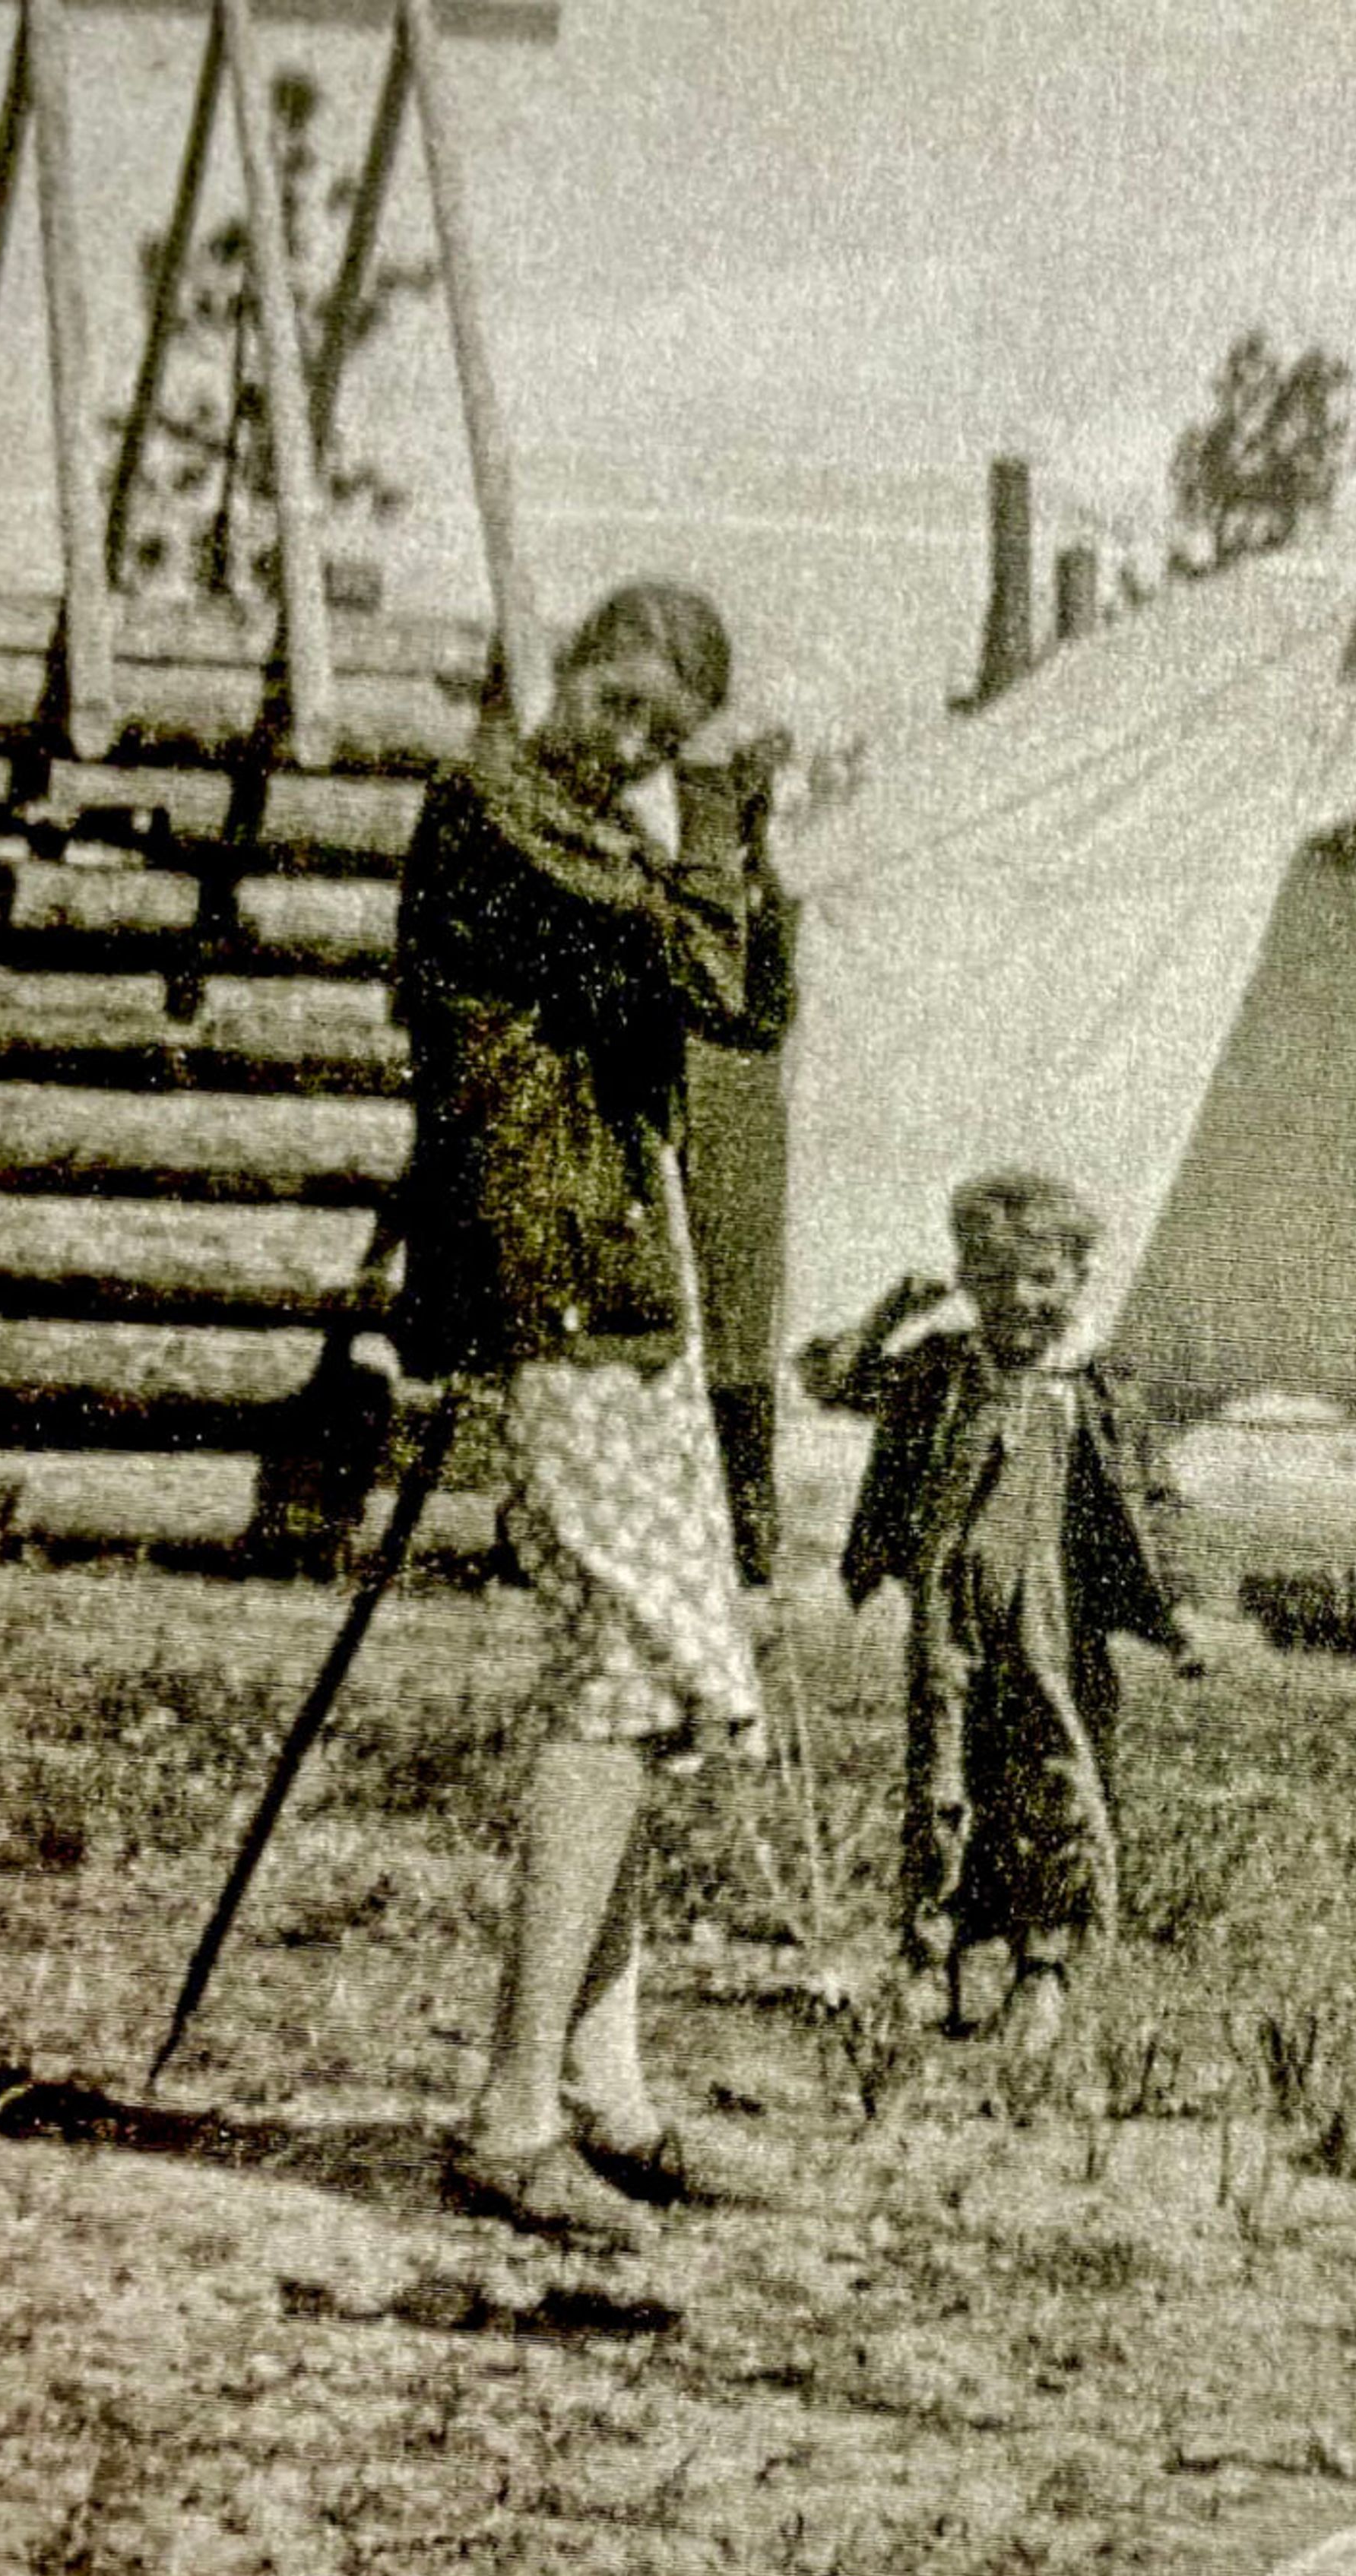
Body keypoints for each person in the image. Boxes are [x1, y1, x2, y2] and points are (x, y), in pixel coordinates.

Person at [389, 580, 796, 2251]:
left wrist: (745, 842)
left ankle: (606, 2098)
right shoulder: (494, 811)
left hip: (631, 1299)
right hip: (552, 1296)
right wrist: (710, 825)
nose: (628, 742)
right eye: (616, 704)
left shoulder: (594, 837)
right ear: (568, 674)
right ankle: (509, 2114)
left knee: (641, 1687)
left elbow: (754, 1007)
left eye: (663, 730)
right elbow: (700, 976)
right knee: (616, 1688)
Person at [796, 1169, 1202, 2061]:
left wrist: (1179, 1610)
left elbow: (1156, 1503)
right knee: (943, 1772)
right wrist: (890, 1312)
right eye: (993, 1278)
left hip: (1056, 1626)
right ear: (966, 1279)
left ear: (1078, 1281)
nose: (1019, 1301)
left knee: (1051, 1776)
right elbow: (830, 1379)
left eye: (1042, 1280)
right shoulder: (941, 1369)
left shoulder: (1096, 1389)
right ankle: (929, 1955)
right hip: (952, 1616)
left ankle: (1042, 1966)